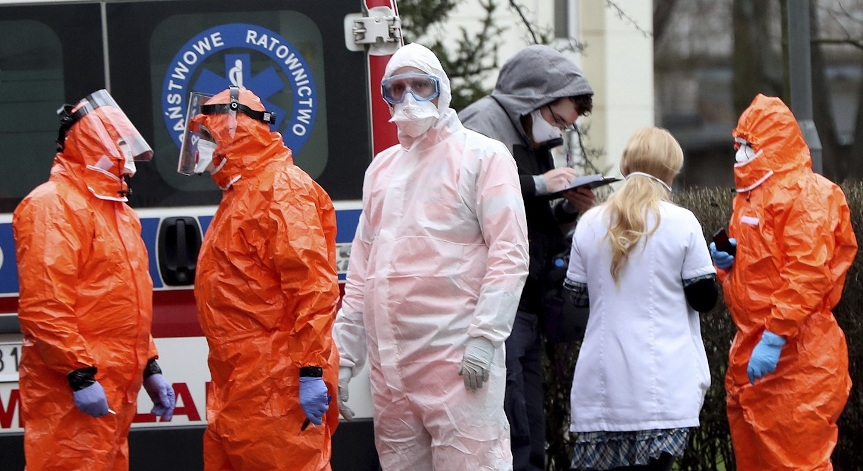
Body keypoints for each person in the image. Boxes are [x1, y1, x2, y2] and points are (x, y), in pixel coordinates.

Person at [332, 43, 530, 470]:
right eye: (396, 88)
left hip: (458, 362)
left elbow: (509, 253)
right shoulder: (381, 170)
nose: (408, 98)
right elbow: (362, 275)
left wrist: (484, 338)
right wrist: (343, 359)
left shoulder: (483, 156)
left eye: (420, 86)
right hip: (392, 373)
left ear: (442, 89)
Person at [176, 85, 340, 470]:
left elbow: (312, 287)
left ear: (232, 131)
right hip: (243, 380)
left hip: (276, 381)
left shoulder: (281, 189)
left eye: (207, 135)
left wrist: (310, 369)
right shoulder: (242, 193)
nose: (201, 147)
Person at [13, 89, 176, 470]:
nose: (126, 157)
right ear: (93, 144)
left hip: (112, 386)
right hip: (70, 389)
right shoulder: (52, 206)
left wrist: (148, 365)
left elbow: (126, 303)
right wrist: (79, 375)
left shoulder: (118, 214)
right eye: (118, 144)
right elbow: (45, 304)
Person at [459, 44, 596, 471]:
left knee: (531, 423)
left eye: (565, 126)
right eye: (557, 120)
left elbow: (533, 222)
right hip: (496, 304)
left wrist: (569, 208)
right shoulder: (481, 124)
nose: (557, 131)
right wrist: (539, 184)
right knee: (512, 420)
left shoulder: (531, 136)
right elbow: (470, 196)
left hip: (526, 303)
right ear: (534, 99)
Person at [709, 94, 857, 470]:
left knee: (797, 460)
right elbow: (759, 270)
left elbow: (807, 272)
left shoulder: (809, 195)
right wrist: (727, 264)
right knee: (753, 457)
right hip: (753, 349)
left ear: (772, 145)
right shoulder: (750, 198)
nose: (741, 153)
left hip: (800, 356)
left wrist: (775, 336)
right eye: (739, 145)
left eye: (749, 145)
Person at [563, 127, 718, 471]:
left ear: (625, 165)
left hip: (603, 385)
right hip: (664, 386)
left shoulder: (590, 222)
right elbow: (703, 298)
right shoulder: (682, 222)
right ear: (671, 171)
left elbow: (575, 296)